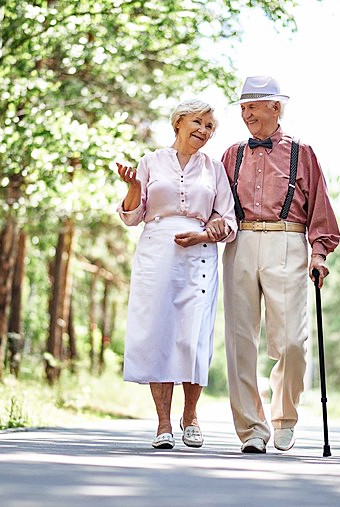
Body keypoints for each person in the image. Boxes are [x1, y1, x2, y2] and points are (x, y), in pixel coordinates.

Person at [220, 76, 340, 453]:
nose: (246, 113)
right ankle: (251, 430)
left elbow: (320, 207)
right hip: (239, 242)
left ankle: (285, 416)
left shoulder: (302, 153)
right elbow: (215, 204)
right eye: (242, 107)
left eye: (253, 106)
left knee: (290, 341)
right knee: (240, 342)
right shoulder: (231, 154)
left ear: (275, 107)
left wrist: (319, 254)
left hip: (288, 241)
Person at [117, 99, 236, 450]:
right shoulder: (151, 161)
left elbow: (228, 220)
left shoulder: (214, 169)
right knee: (159, 331)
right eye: (198, 122)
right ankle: (163, 423)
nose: (203, 130)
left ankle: (192, 416)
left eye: (210, 126)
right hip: (156, 252)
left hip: (199, 255)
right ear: (179, 122)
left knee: (193, 333)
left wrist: (207, 232)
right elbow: (131, 216)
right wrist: (134, 189)